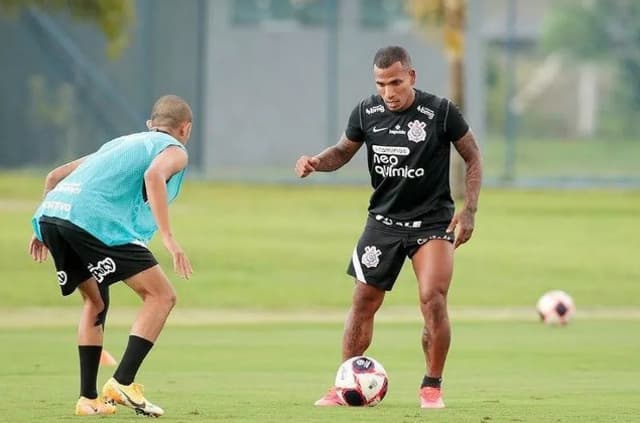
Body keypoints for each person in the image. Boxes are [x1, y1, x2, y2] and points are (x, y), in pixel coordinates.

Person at [295, 46, 482, 409]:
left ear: (411, 77)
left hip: (432, 222)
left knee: (433, 299)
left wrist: (470, 209)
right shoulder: (366, 112)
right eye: (381, 84)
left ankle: (431, 386)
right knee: (362, 302)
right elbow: (342, 151)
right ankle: (345, 383)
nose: (388, 91)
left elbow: (473, 156)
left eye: (395, 82)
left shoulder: (440, 112)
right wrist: (317, 162)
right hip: (382, 223)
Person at [28, 94, 194, 417]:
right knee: (161, 296)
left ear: (150, 125)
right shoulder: (174, 149)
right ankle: (123, 382)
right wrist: (170, 239)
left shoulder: (119, 143)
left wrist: (41, 227)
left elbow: (54, 176)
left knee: (95, 302)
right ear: (185, 129)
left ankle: (88, 399)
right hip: (93, 220)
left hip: (53, 214)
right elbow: (153, 176)